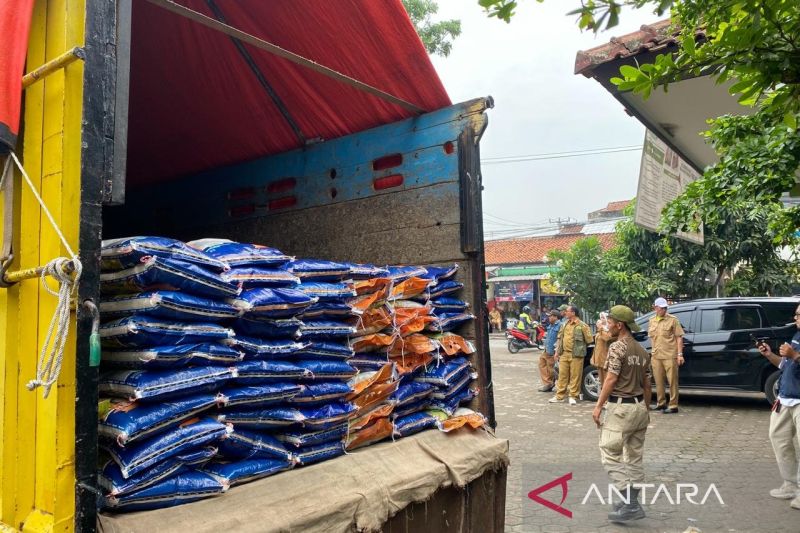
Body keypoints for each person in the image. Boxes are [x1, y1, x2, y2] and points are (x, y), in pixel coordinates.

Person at [592, 305, 651, 523]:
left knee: (609, 452)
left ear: (620, 325)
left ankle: (630, 502)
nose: (607, 325)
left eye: (610, 322)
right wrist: (645, 409)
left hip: (621, 409)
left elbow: (610, 379)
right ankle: (629, 503)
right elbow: (646, 385)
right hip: (639, 408)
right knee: (634, 456)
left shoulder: (617, 348)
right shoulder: (642, 350)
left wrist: (598, 405)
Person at [757, 303, 800, 511]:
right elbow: (784, 366)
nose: (796, 317)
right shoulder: (796, 337)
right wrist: (769, 354)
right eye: (796, 314)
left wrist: (794, 355)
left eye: (799, 314)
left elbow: (794, 359)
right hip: (785, 399)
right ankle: (790, 484)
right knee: (779, 439)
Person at [549, 305, 593, 405]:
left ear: (573, 313)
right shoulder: (564, 325)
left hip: (576, 355)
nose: (565, 313)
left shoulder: (582, 325)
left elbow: (589, 340)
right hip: (564, 354)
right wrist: (557, 352)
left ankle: (573, 396)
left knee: (575, 376)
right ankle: (559, 396)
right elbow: (560, 338)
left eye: (567, 311)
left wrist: (580, 347)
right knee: (562, 376)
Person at [648, 297, 684, 413]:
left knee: (672, 381)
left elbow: (679, 337)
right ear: (656, 308)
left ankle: (673, 405)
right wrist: (653, 352)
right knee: (658, 381)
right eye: (661, 308)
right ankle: (661, 403)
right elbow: (652, 338)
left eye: (665, 308)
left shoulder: (673, 320)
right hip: (656, 355)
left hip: (670, 355)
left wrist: (679, 354)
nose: (663, 310)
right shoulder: (651, 320)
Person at [539, 309, 561, 392]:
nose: (549, 317)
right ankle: (548, 383)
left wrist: (557, 351)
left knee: (551, 369)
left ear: (555, 317)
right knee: (542, 364)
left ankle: (550, 384)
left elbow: (560, 339)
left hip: (553, 351)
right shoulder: (550, 325)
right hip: (547, 350)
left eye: (550, 316)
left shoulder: (560, 326)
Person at [592, 311, 615, 388]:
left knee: (606, 379)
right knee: (602, 380)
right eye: (600, 317)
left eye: (603, 317)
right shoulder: (600, 330)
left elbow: (607, 338)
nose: (601, 319)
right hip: (599, 359)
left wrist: (601, 328)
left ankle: (608, 397)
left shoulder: (608, 329)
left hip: (605, 358)